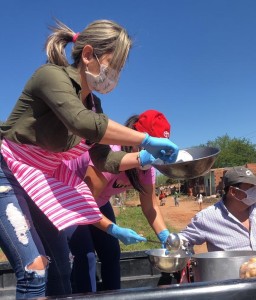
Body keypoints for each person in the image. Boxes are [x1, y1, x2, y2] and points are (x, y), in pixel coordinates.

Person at [0, 19, 179, 299]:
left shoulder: (94, 103)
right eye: (113, 64)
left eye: (119, 69)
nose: (115, 74)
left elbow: (103, 158)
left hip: (38, 179)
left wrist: (142, 157)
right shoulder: (51, 77)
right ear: (87, 54)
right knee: (34, 268)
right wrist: (144, 139)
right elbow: (82, 123)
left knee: (60, 267)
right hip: (6, 173)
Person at [66, 109, 173, 293]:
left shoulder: (147, 167)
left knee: (111, 252)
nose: (156, 155)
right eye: (153, 149)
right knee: (86, 257)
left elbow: (150, 205)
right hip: (71, 203)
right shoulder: (110, 155)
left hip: (98, 203)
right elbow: (84, 205)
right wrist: (113, 229)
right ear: (137, 139)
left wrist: (165, 236)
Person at [178, 166, 256, 252]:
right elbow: (182, 241)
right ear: (233, 192)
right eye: (251, 187)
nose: (255, 189)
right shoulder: (207, 217)